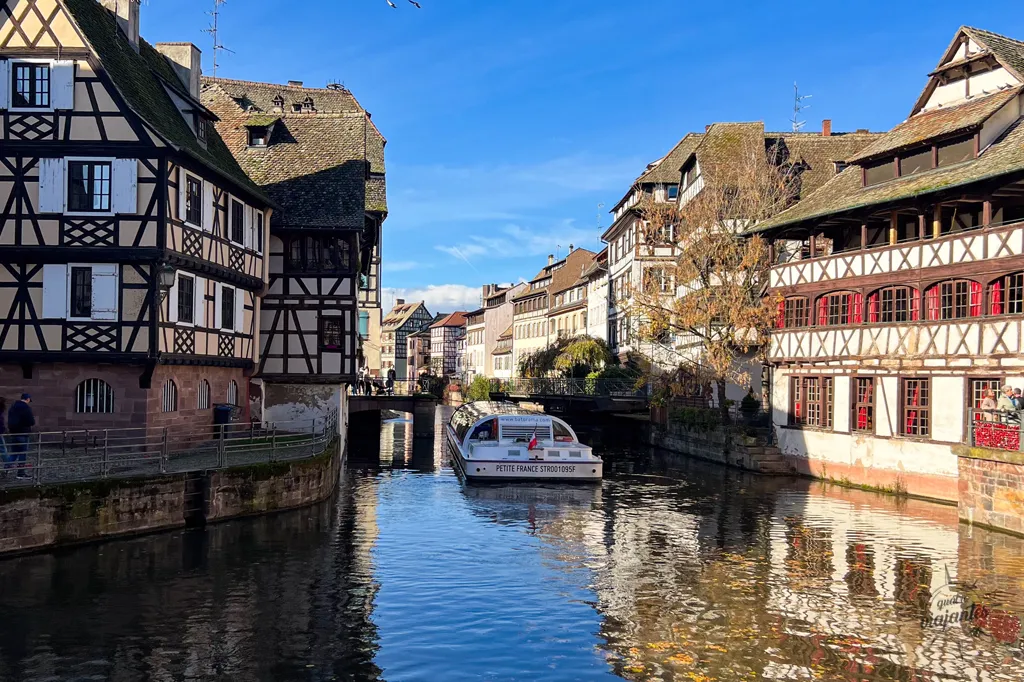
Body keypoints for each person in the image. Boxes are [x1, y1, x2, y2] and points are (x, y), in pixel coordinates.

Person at [7, 393, 35, 479]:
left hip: (13, 433)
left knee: (14, 454)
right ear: (27, 399)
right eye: (29, 400)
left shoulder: (13, 406)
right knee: (23, 453)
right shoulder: (26, 408)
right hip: (23, 433)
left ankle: (4, 469)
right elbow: (31, 421)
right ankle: (21, 473)